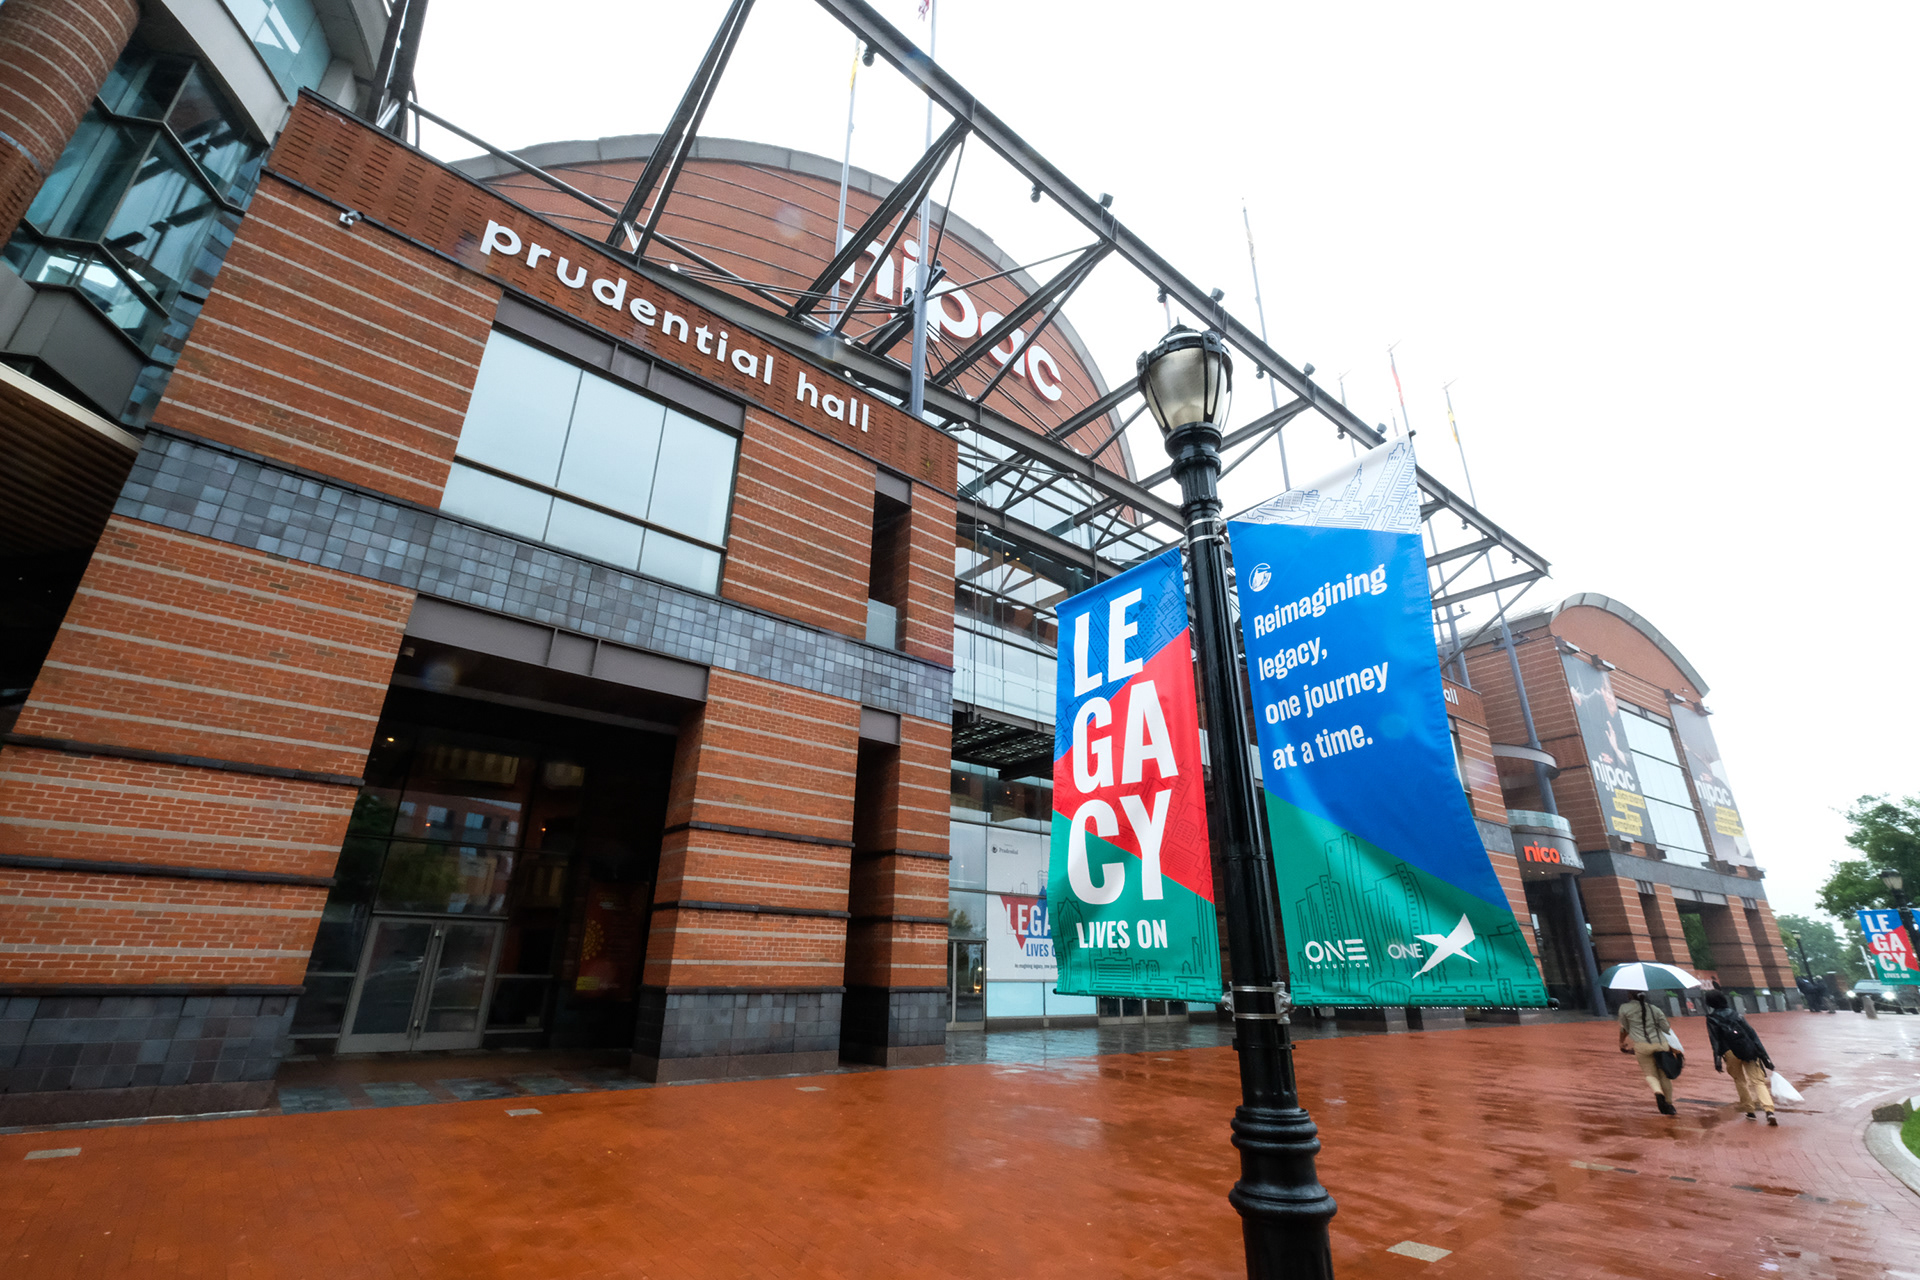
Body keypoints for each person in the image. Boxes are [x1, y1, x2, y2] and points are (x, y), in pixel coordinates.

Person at [1704, 990, 1776, 1125]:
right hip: (1748, 1049)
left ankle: (1750, 1110)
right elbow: (1752, 1034)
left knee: (1740, 1080)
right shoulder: (1736, 1014)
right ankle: (1769, 1110)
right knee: (1758, 1081)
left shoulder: (1711, 1018)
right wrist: (1764, 1056)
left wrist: (1717, 1059)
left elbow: (1715, 1040)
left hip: (1730, 1052)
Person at [1618, 990, 1678, 1115]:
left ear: (1630, 995)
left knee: (1650, 1073)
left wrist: (1621, 1042)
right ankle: (1669, 1104)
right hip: (1661, 1044)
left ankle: (1658, 1092)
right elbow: (1666, 1028)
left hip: (1642, 1046)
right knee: (1664, 1075)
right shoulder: (1655, 1009)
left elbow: (1625, 1028)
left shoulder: (1624, 1008)